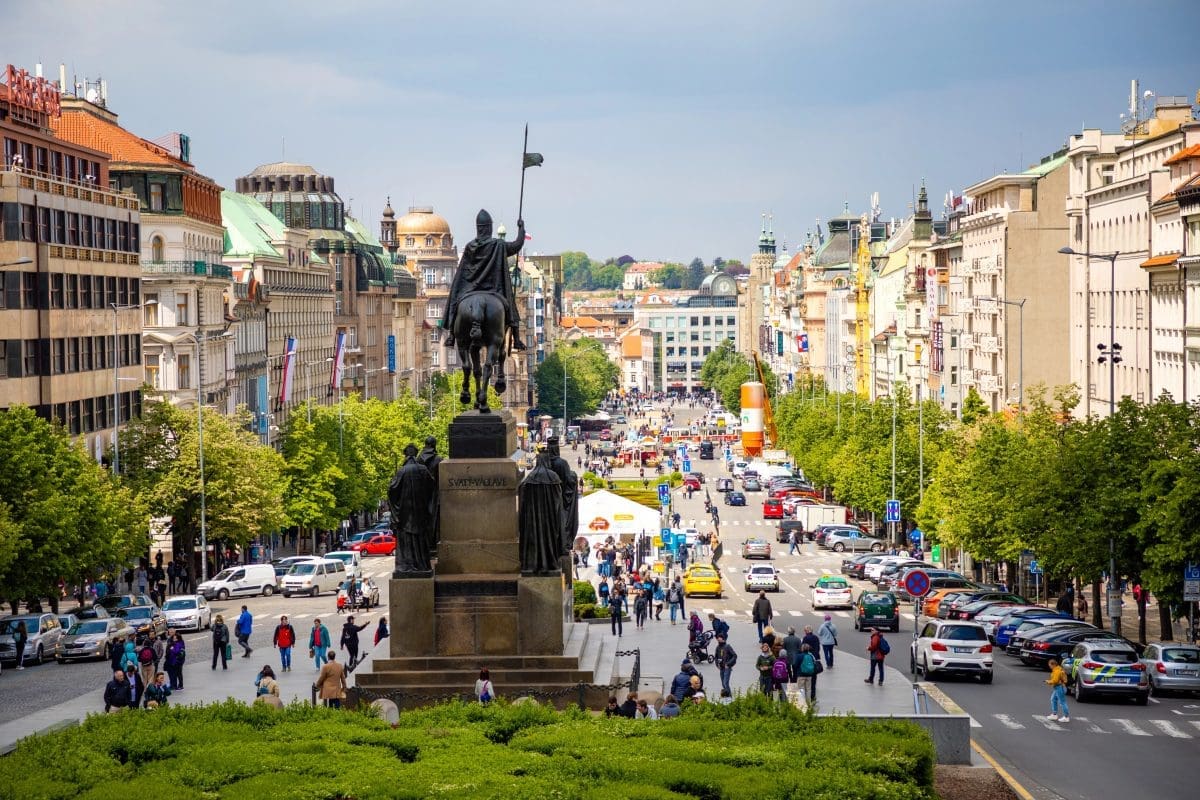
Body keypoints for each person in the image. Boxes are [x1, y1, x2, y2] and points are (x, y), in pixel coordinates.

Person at [441, 209, 527, 350]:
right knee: (511, 308)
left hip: (470, 288)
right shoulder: (498, 245)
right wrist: (521, 228)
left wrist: (459, 288)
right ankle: (516, 339)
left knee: (455, 302)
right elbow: (517, 245)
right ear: (489, 228)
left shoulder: (470, 246)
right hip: (494, 290)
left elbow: (463, 272)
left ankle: (451, 335)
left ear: (478, 228)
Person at [1046, 658, 1070, 723]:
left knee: (1062, 702)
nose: (1049, 667)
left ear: (1053, 665)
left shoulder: (1057, 671)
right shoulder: (1058, 669)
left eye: (1050, 665)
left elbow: (1055, 680)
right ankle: (1054, 714)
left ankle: (1066, 717)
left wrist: (1048, 681)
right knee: (1053, 699)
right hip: (1059, 687)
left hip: (1059, 687)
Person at [714, 633, 737, 698]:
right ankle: (727, 696)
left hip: (727, 668)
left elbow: (734, 656)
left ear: (722, 638)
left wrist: (728, 664)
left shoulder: (727, 646)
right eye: (717, 638)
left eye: (719, 637)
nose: (718, 639)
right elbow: (715, 657)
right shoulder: (718, 647)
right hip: (721, 668)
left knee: (725, 683)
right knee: (723, 684)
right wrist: (717, 664)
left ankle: (729, 697)